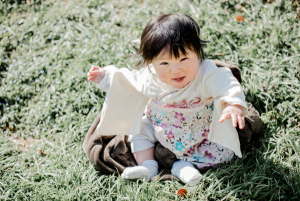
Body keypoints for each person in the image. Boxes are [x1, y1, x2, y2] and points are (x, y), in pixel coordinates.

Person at [87, 13, 248, 186]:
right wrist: (105, 77)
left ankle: (183, 166)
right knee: (138, 131)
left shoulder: (205, 72)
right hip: (159, 123)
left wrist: (233, 103)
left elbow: (224, 82)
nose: (175, 70)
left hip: (199, 129)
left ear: (198, 54)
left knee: (217, 150)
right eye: (164, 63)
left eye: (184, 59)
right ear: (151, 62)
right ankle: (147, 165)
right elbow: (127, 82)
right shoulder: (150, 76)